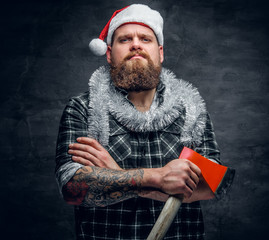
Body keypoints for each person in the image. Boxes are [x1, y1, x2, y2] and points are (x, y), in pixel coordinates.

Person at [55, 4, 221, 239]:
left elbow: (211, 185)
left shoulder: (191, 109)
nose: (136, 44)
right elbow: (73, 189)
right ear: (109, 53)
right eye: (125, 40)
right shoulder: (82, 109)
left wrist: (118, 176)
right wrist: (157, 178)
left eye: (145, 38)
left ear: (160, 52)